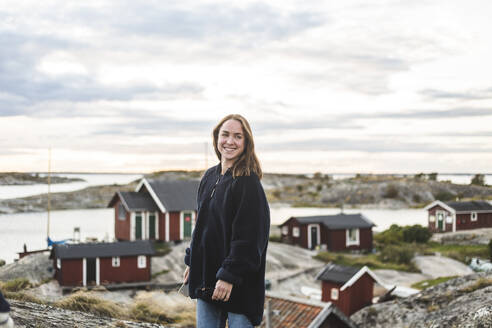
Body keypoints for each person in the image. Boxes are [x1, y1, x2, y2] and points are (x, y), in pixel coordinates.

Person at [183, 114, 270, 328]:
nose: (230, 141)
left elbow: (250, 240)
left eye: (237, 136)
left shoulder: (248, 182)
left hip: (239, 285)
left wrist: (229, 276)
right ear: (216, 138)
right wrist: (192, 261)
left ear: (246, 143)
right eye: (225, 135)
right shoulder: (209, 176)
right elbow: (202, 226)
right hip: (206, 278)